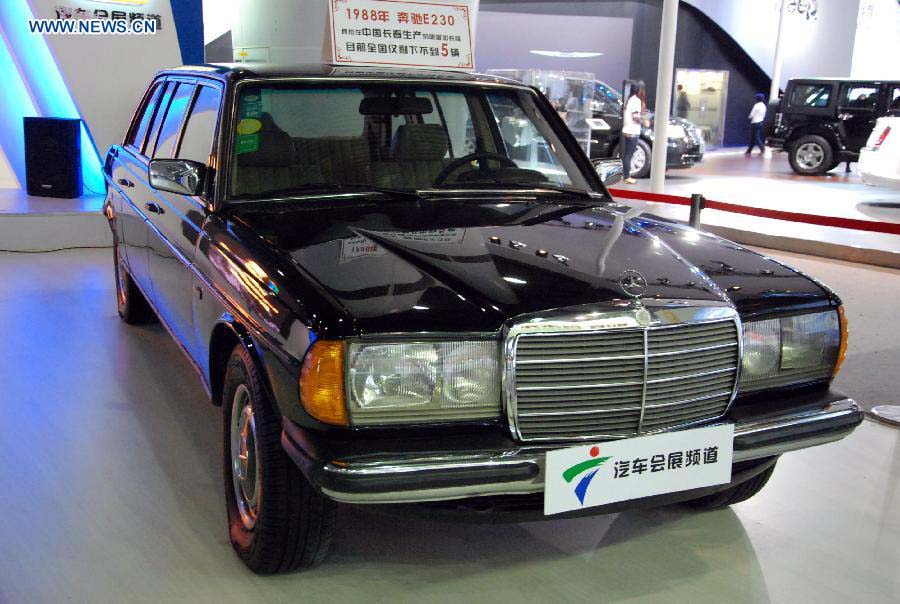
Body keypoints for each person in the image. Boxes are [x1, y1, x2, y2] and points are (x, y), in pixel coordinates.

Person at [621, 80, 646, 184]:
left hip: (627, 130)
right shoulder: (636, 100)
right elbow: (635, 116)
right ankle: (627, 176)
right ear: (640, 90)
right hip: (633, 131)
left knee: (627, 154)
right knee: (628, 155)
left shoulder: (630, 99)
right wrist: (644, 121)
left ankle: (625, 175)